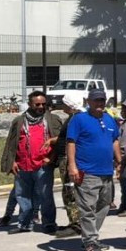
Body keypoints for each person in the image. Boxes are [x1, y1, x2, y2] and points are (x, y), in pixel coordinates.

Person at [65, 89, 122, 251]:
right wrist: (72, 166)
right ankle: (90, 241)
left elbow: (115, 141)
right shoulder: (79, 120)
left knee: (104, 205)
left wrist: (119, 162)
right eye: (96, 100)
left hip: (106, 171)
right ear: (88, 101)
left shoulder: (109, 119)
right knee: (87, 207)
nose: (100, 104)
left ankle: (91, 237)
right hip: (87, 171)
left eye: (102, 100)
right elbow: (71, 142)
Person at [0, 90, 63, 234]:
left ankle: (49, 224)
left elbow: (61, 141)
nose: (41, 107)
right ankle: (24, 224)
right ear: (30, 104)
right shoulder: (19, 121)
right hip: (22, 165)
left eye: (43, 104)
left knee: (45, 196)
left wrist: (51, 158)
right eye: (37, 104)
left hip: (43, 165)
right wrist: (12, 162)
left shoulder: (52, 120)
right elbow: (11, 143)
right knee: (22, 196)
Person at [51, 93, 85, 238]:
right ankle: (74, 221)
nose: (62, 105)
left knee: (70, 192)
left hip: (69, 160)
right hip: (65, 159)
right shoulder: (75, 118)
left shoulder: (75, 119)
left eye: (64, 103)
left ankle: (77, 225)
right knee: (69, 191)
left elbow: (73, 140)